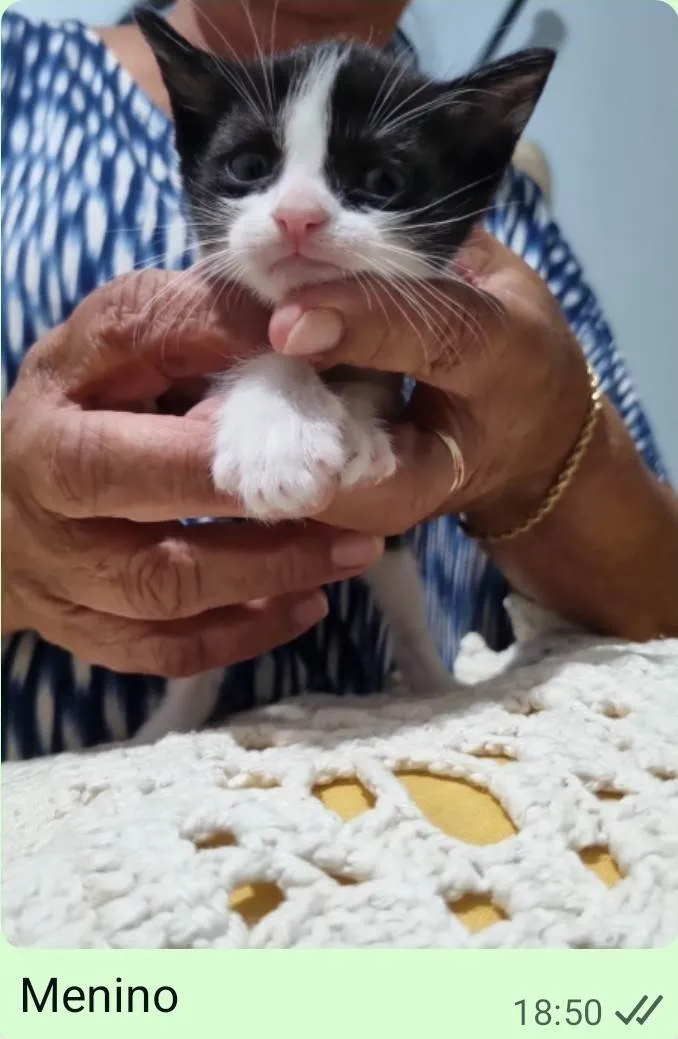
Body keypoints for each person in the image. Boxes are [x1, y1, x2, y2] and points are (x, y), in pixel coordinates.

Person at [2, 0, 677, 762]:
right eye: (253, 169)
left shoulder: (515, 241)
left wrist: (556, 453)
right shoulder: (15, 78)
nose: (296, 212)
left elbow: (663, 604)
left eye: (380, 181)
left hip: (413, 774)